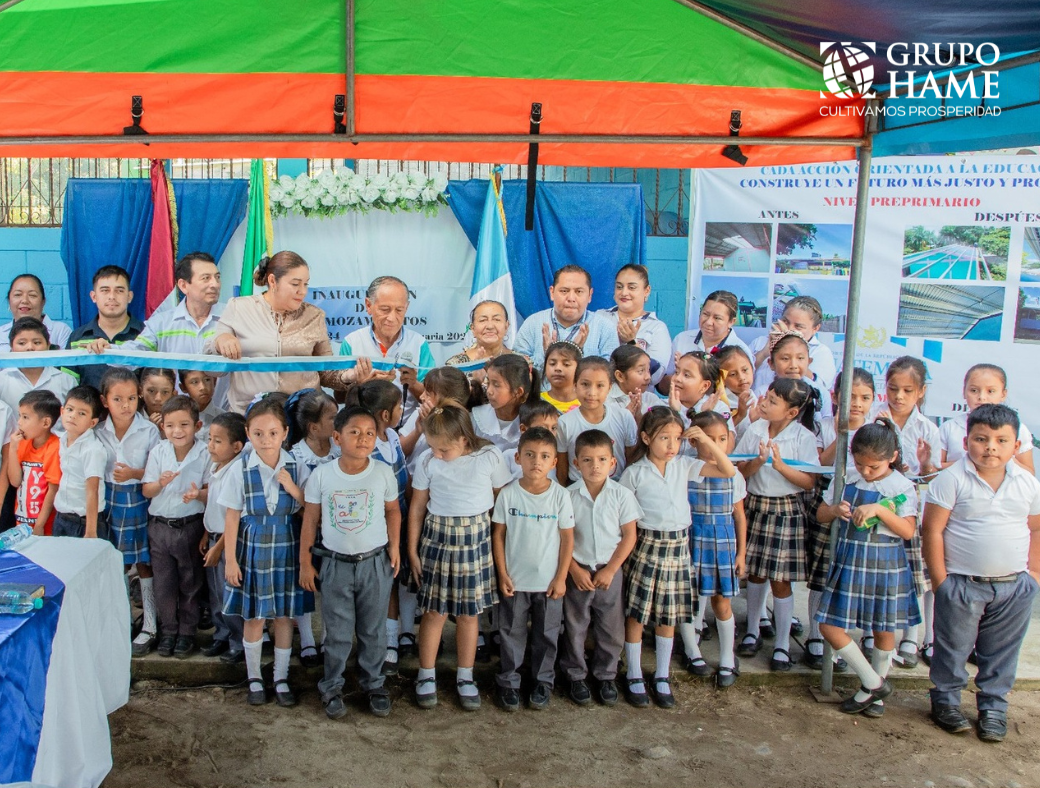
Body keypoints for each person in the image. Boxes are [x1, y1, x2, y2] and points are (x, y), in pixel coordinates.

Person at [923, 404, 1040, 743]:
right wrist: (941, 581)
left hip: (1015, 585)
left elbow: (1036, 529)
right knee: (953, 648)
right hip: (961, 584)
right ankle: (945, 702)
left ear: (1016, 446)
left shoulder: (1028, 484)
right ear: (966, 440)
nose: (991, 447)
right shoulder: (951, 479)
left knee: (1002, 651)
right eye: (981, 439)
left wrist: (1033, 573)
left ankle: (993, 708)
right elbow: (932, 530)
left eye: (1002, 440)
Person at [619, 407, 737, 708]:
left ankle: (661, 674)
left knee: (668, 615)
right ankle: (633, 672)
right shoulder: (634, 473)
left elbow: (728, 470)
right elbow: (624, 518)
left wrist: (706, 442)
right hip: (646, 544)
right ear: (646, 438)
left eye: (676, 438)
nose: (671, 445)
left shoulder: (685, 465)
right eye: (663, 438)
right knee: (637, 612)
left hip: (678, 546)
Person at [407, 405, 511, 711]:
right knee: (434, 612)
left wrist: (500, 545)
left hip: (476, 540)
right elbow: (417, 508)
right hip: (437, 539)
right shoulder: (429, 461)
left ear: (465, 439)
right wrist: (412, 550)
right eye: (433, 447)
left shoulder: (489, 457)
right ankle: (426, 674)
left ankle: (466, 676)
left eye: (444, 449)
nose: (437, 454)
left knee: (469, 613)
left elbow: (501, 501)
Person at [300, 406, 401, 720]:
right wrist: (305, 560)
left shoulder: (383, 472)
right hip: (335, 566)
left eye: (370, 433)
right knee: (339, 632)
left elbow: (393, 511)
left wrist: (394, 546)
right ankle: (332, 686)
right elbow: (310, 519)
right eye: (354, 432)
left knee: (373, 630)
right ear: (336, 437)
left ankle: (374, 684)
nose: (363, 439)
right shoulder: (322, 476)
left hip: (375, 564)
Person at [816, 419, 920, 717]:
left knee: (884, 627)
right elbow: (822, 513)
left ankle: (872, 695)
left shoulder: (901, 486)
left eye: (873, 467)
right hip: (851, 556)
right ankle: (873, 681)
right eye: (861, 464)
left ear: (893, 458)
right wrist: (836, 510)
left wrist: (879, 511)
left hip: (886, 561)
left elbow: (908, 531)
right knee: (829, 625)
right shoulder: (846, 478)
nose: (866, 471)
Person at [222, 398, 306, 707]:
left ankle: (281, 677)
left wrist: (292, 487)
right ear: (247, 433)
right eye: (258, 434)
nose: (266, 440)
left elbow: (309, 507)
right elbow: (232, 515)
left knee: (284, 616)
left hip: (287, 543)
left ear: (285, 432)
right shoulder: (240, 468)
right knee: (254, 616)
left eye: (272, 433)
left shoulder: (296, 466)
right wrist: (231, 560)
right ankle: (255, 676)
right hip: (253, 545)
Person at [735, 378, 819, 672]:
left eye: (773, 401)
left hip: (786, 510)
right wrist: (759, 461)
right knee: (755, 574)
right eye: (767, 397)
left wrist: (781, 466)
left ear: (792, 412)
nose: (765, 404)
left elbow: (809, 481)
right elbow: (741, 473)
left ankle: (783, 642)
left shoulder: (803, 437)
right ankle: (753, 629)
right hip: (756, 505)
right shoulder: (754, 429)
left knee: (781, 580)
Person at [491, 427, 575, 711]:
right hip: (515, 581)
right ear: (517, 458)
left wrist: (562, 577)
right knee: (511, 632)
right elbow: (499, 535)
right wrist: (502, 573)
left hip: (549, 583)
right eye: (529, 454)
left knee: (547, 635)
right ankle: (509, 682)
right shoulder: (508, 495)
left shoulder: (561, 497)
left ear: (554, 462)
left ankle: (542, 682)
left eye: (544, 456)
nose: (536, 461)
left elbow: (567, 538)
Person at [209, 252, 354, 414]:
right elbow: (213, 367)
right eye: (295, 284)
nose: (303, 291)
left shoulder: (314, 316)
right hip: (250, 417)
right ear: (272, 281)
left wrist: (351, 375)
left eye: (306, 284)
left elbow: (327, 371)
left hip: (302, 418)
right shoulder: (239, 308)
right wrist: (221, 341)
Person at [561, 429, 641, 707]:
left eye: (601, 459)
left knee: (611, 625)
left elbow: (629, 535)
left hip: (610, 570)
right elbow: (561, 538)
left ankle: (606, 675)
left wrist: (611, 570)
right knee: (575, 623)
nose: (595, 466)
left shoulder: (621, 495)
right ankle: (575, 674)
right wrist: (573, 569)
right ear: (575, 463)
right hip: (578, 570)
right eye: (587, 460)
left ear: (613, 463)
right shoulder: (567, 496)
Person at [88, 252, 227, 404]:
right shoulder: (161, 323)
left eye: (217, 277)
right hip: (174, 419)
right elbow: (135, 353)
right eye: (206, 278)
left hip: (224, 417)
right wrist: (107, 349)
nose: (215, 284)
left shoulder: (232, 318)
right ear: (183, 285)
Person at [678, 411, 748, 687]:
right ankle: (691, 651)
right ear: (694, 441)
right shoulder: (684, 468)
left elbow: (739, 516)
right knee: (687, 597)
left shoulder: (734, 475)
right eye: (709, 439)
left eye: (722, 439)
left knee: (721, 600)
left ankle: (727, 657)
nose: (717, 445)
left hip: (721, 542)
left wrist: (741, 553)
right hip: (690, 538)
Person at [879, 355, 940, 668]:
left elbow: (931, 477)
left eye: (907, 390)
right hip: (879, 507)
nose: (899, 396)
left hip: (910, 512)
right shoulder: (875, 421)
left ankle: (911, 638)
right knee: (881, 573)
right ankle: (875, 633)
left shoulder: (928, 429)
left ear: (921, 392)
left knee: (914, 577)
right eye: (893, 389)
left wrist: (926, 465)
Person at [349, 380, 412, 676]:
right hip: (376, 526)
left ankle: (395, 638)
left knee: (397, 580)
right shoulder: (366, 448)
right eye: (400, 406)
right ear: (386, 414)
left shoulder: (393, 437)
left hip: (399, 519)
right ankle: (377, 643)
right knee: (378, 587)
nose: (403, 410)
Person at [97, 368, 161, 655]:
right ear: (104, 400)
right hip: (109, 500)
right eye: (118, 399)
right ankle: (122, 620)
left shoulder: (148, 430)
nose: (126, 405)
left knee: (145, 562)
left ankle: (150, 623)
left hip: (139, 499)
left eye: (132, 398)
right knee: (118, 563)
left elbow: (158, 468)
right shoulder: (98, 431)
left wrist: (135, 473)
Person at [141, 395, 209, 660]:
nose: (177, 431)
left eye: (184, 425)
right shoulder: (159, 452)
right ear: (162, 427)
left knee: (190, 582)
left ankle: (187, 632)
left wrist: (197, 496)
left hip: (190, 526)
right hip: (159, 528)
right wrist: (161, 483)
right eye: (170, 425)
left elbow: (209, 492)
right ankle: (168, 630)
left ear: (198, 426)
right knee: (164, 583)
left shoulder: (204, 453)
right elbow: (147, 490)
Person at [286, 388, 340, 669]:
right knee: (304, 583)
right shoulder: (295, 457)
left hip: (334, 530)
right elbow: (299, 500)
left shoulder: (339, 451)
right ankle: (307, 639)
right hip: (304, 528)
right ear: (313, 426)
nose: (338, 423)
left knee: (330, 584)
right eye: (333, 418)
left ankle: (330, 639)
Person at [338, 276, 436, 426]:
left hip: (410, 430)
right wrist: (360, 386)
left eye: (399, 310)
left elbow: (433, 399)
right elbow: (339, 397)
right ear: (368, 305)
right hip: (364, 430)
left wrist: (413, 383)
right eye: (385, 309)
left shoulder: (418, 343)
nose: (392, 318)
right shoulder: (352, 343)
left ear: (407, 308)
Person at [198, 412, 247, 662]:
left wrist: (218, 548)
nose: (210, 446)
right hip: (215, 536)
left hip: (228, 542)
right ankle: (222, 635)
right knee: (217, 593)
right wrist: (207, 533)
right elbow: (214, 505)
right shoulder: (217, 465)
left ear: (237, 446)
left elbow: (233, 514)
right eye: (209, 439)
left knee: (230, 593)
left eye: (218, 441)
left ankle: (238, 642)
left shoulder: (237, 471)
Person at [514, 265, 620, 372]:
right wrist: (546, 357)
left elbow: (608, 374)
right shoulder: (533, 323)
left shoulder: (605, 327)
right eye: (564, 291)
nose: (571, 298)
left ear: (589, 295)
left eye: (579, 292)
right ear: (552, 292)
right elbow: (517, 369)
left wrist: (576, 355)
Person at [556, 357, 638, 485]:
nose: (592, 393)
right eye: (585, 384)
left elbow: (632, 458)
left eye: (600, 385)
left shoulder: (624, 417)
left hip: (616, 486)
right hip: (577, 487)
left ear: (609, 388)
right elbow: (562, 467)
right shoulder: (565, 422)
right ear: (575, 385)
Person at [939, 364, 1033, 473]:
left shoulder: (1018, 429)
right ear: (964, 391)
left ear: (1003, 394)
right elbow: (933, 470)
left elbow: (1029, 473)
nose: (982, 397)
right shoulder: (950, 428)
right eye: (974, 390)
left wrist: (1003, 460)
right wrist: (972, 462)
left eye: (991, 391)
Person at [66, 265, 144, 390]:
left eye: (119, 290)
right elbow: (68, 387)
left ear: (129, 296)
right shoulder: (77, 338)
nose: (112, 296)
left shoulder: (144, 335)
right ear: (93, 296)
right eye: (105, 290)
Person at [662, 290, 751, 392]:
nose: (708, 322)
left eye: (717, 318)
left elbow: (744, 392)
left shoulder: (741, 351)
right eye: (705, 314)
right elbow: (662, 387)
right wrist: (679, 373)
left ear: (731, 322)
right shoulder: (682, 339)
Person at [599, 264, 671, 387]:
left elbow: (656, 376)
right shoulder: (600, 317)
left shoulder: (656, 327)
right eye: (619, 287)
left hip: (637, 399)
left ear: (646, 291)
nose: (624, 292)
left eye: (631, 287)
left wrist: (632, 343)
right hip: (599, 397)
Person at [750, 295, 837, 395]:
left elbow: (819, 388)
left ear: (815, 328)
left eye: (798, 326)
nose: (789, 329)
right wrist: (765, 351)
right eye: (785, 322)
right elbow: (739, 374)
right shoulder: (760, 342)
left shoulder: (821, 352)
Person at [52, 386, 108, 539]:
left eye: (81, 413)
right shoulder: (62, 439)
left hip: (83, 523)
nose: (73, 416)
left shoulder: (92, 449)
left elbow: (92, 490)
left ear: (92, 422)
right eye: (70, 410)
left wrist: (90, 531)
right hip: (62, 517)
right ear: (62, 411)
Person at [472, 354, 540, 480]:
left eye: (496, 385)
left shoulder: (534, 421)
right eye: (488, 382)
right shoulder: (476, 418)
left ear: (518, 392)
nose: (489, 391)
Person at [9, 390, 62, 535]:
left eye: (25, 417)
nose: (19, 422)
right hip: (21, 522)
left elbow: (53, 489)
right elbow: (15, 481)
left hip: (44, 525)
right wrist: (12, 449)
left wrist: (39, 525)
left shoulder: (54, 446)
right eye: (20, 416)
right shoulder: (23, 443)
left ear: (46, 422)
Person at [0, 318, 76, 416]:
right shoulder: (2, 379)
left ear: (48, 345)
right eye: (22, 343)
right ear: (11, 347)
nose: (30, 348)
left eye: (37, 342)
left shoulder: (67, 381)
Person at [0, 274, 71, 353]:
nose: (24, 300)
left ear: (43, 302)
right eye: (18, 295)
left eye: (32, 295)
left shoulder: (60, 331)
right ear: (9, 301)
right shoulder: (1, 334)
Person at [445, 299, 517, 368]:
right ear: (472, 328)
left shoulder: (521, 363)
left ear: (506, 326)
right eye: (483, 320)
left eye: (496, 319)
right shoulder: (456, 365)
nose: (490, 326)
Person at [608, 344, 662, 422]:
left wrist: (638, 416)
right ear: (620, 376)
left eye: (648, 370)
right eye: (640, 371)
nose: (648, 377)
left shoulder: (651, 399)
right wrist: (624, 418)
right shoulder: (605, 401)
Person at [716, 345, 757, 442]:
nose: (742, 377)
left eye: (745, 370)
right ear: (722, 379)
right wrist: (740, 414)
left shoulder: (753, 395)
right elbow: (720, 433)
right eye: (733, 374)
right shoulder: (720, 402)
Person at [540, 341, 581, 414]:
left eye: (566, 364)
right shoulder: (538, 401)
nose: (558, 368)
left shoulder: (586, 403)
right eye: (552, 364)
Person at [180, 370, 220, 442]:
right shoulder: (178, 419)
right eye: (194, 382)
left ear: (214, 381)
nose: (203, 387)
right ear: (183, 387)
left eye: (207, 380)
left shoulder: (223, 418)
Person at [138, 368, 176, 437]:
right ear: (141, 391)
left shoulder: (180, 419)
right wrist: (149, 428)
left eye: (165, 392)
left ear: (173, 394)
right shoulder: (132, 419)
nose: (158, 398)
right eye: (151, 391)